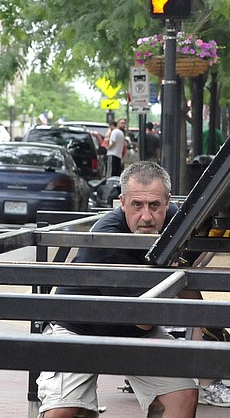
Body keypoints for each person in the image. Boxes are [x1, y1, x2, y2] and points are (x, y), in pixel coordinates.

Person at [37, 162, 198, 418]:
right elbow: (143, 320)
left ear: (167, 202)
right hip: (79, 329)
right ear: (122, 202)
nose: (146, 216)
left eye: (154, 205)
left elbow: (191, 291)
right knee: (64, 411)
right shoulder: (105, 236)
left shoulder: (176, 224)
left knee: (182, 395)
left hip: (133, 332)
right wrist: (173, 269)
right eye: (137, 205)